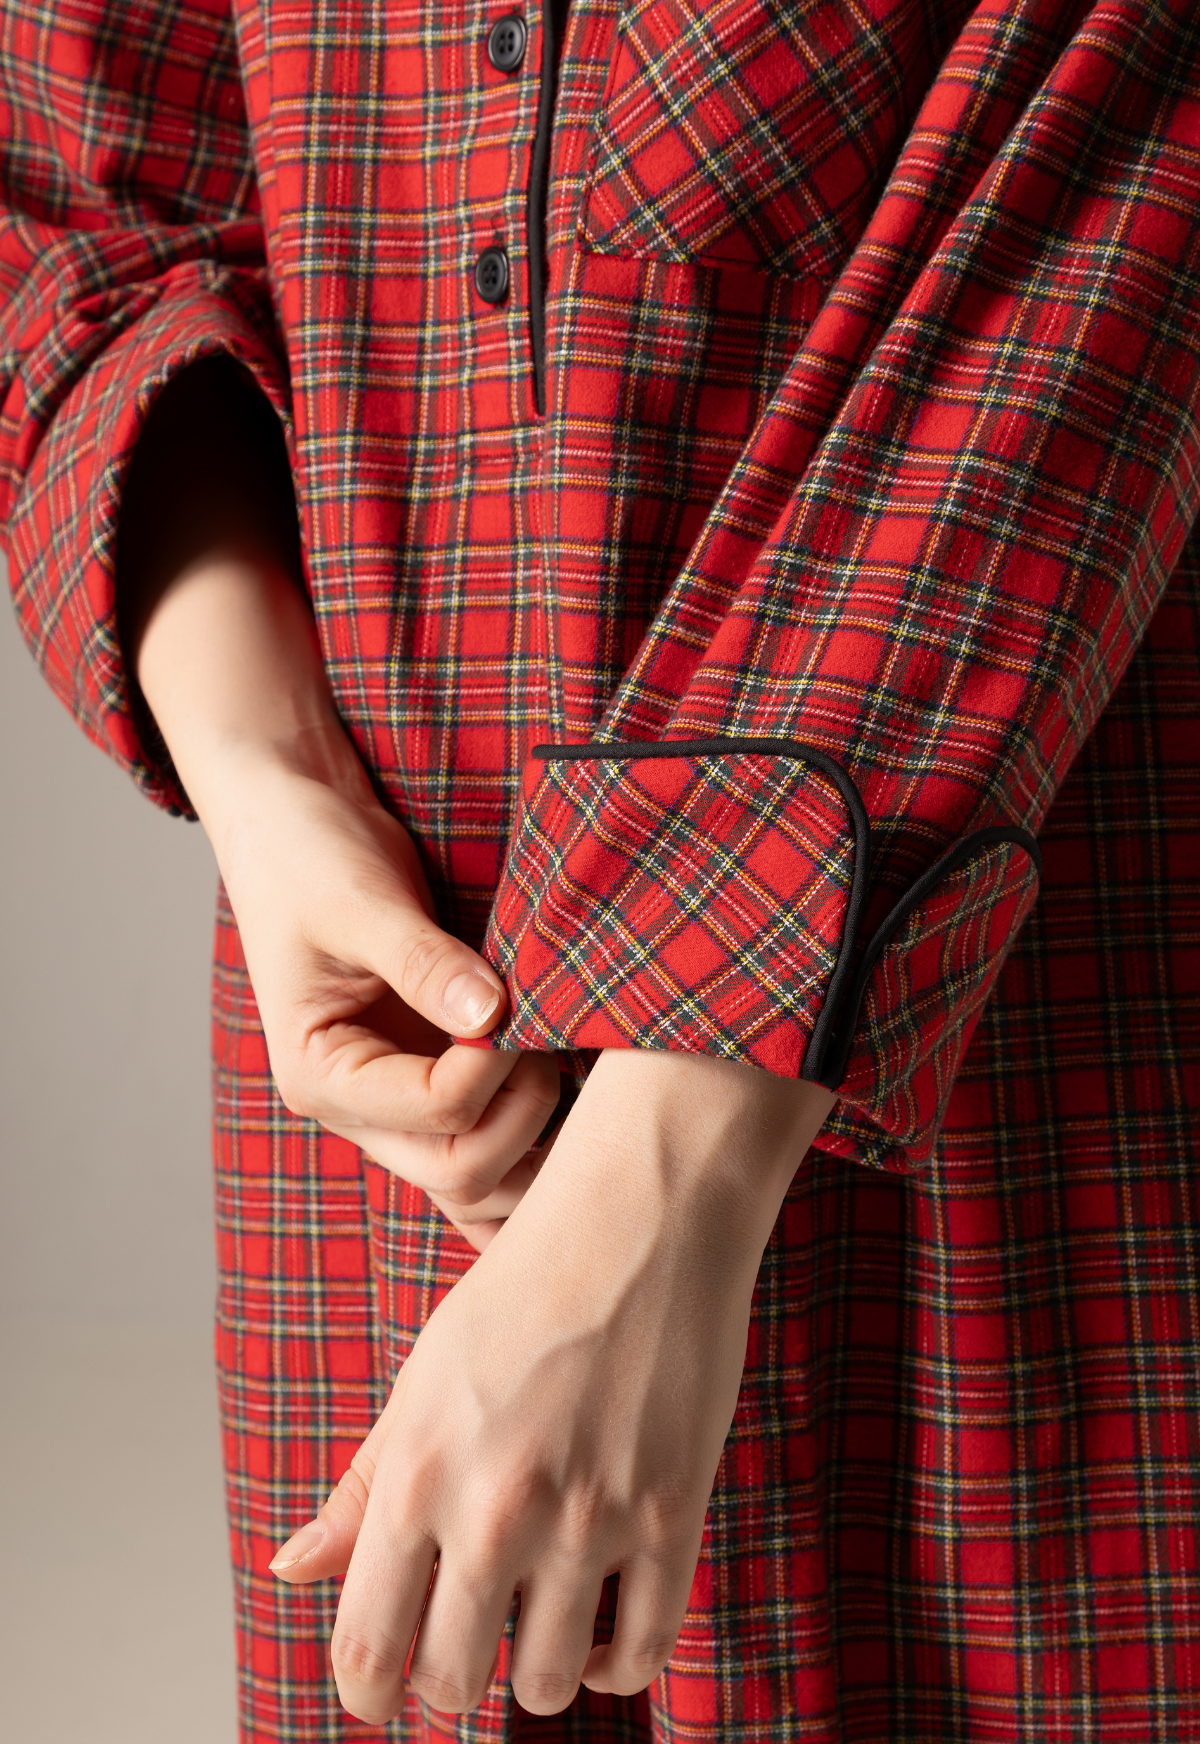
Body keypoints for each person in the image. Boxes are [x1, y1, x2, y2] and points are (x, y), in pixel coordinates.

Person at [4, 0, 1200, 1739]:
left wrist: (656, 1178)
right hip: (392, 1081)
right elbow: (88, 203)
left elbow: (1125, 181)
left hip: (1016, 1015)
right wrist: (275, 795)